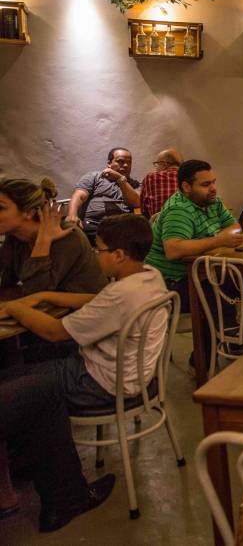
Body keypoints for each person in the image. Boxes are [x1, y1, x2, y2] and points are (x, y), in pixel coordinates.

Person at [0, 214, 170, 533]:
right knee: (31, 371)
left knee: (22, 376)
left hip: (99, 382)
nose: (94, 254)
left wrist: (14, 308)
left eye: (98, 249)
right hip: (127, 373)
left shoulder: (120, 295)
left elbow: (54, 332)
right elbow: (97, 300)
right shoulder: (147, 276)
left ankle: (30, 469)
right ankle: (30, 464)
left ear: (118, 255)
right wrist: (45, 296)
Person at [145, 159, 243, 304]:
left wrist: (217, 239)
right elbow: (173, 250)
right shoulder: (179, 209)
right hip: (172, 283)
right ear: (186, 187)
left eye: (213, 182)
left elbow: (235, 227)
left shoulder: (212, 201)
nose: (213, 188)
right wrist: (218, 241)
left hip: (201, 271)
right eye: (206, 184)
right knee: (232, 285)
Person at [0, 178, 106, 296]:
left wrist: (43, 241)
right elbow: (5, 282)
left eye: (1, 208)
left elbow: (36, 291)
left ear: (29, 212)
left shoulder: (68, 235)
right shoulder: (14, 237)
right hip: (41, 304)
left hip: (86, 305)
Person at [67, 148, 141, 240]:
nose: (126, 165)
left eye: (129, 162)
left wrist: (120, 179)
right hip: (92, 225)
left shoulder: (134, 184)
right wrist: (72, 214)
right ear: (109, 163)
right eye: (120, 161)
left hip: (121, 229)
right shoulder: (95, 177)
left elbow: (136, 203)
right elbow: (79, 196)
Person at [139, 148, 182, 219]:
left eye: (157, 164)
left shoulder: (151, 177)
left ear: (164, 164)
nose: (156, 168)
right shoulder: (189, 177)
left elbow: (144, 210)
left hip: (160, 223)